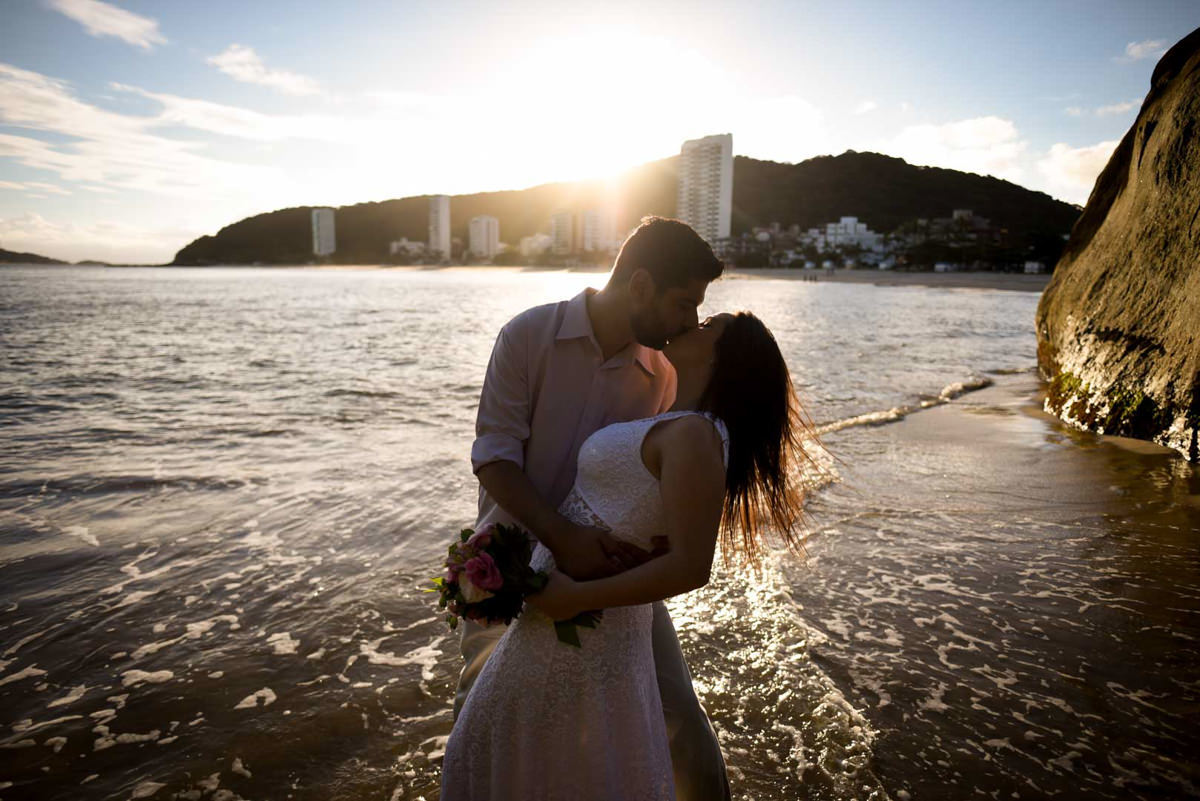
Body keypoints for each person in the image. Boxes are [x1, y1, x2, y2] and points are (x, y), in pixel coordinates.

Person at [441, 310, 811, 800]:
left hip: (585, 616)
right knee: (525, 748)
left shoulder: (695, 434)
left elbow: (691, 567)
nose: (691, 321)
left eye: (707, 327)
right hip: (564, 614)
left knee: (530, 750)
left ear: (726, 358)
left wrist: (576, 597)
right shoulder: (676, 416)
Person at [452, 217, 730, 799]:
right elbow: (494, 457)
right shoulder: (529, 335)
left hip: (611, 576)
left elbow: (652, 475)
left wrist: (654, 544)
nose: (688, 321)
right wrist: (560, 535)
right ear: (640, 284)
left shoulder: (659, 374)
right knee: (481, 710)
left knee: (675, 712)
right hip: (508, 565)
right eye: (683, 303)